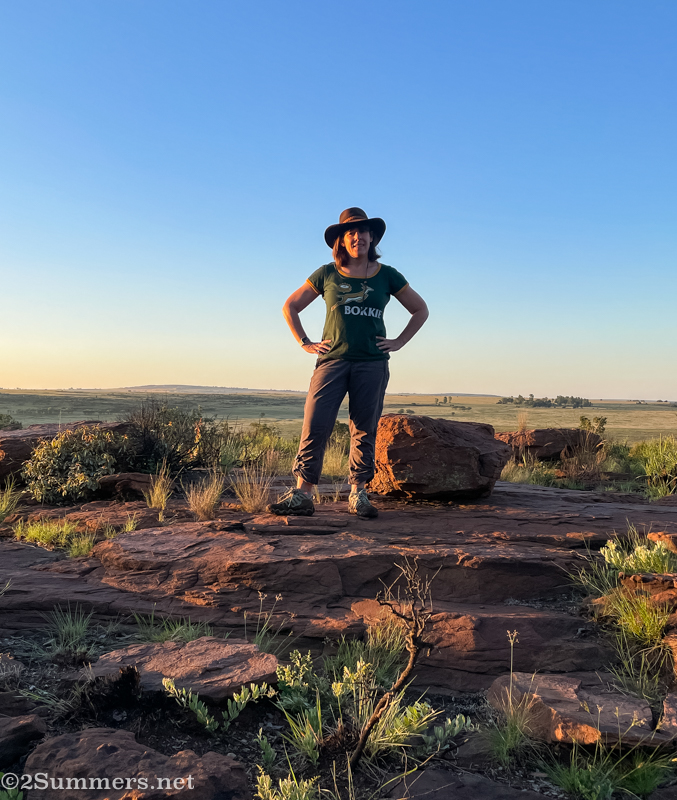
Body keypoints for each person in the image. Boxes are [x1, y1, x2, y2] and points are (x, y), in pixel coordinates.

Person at [267, 207, 429, 518]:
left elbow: (420, 309)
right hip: (332, 360)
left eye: (363, 231)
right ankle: (303, 494)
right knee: (316, 424)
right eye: (351, 233)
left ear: (372, 237)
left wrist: (399, 342)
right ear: (341, 240)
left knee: (364, 429)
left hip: (372, 363)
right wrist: (304, 342)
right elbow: (291, 306)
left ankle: (359, 493)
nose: (358, 237)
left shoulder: (388, 275)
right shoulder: (327, 273)